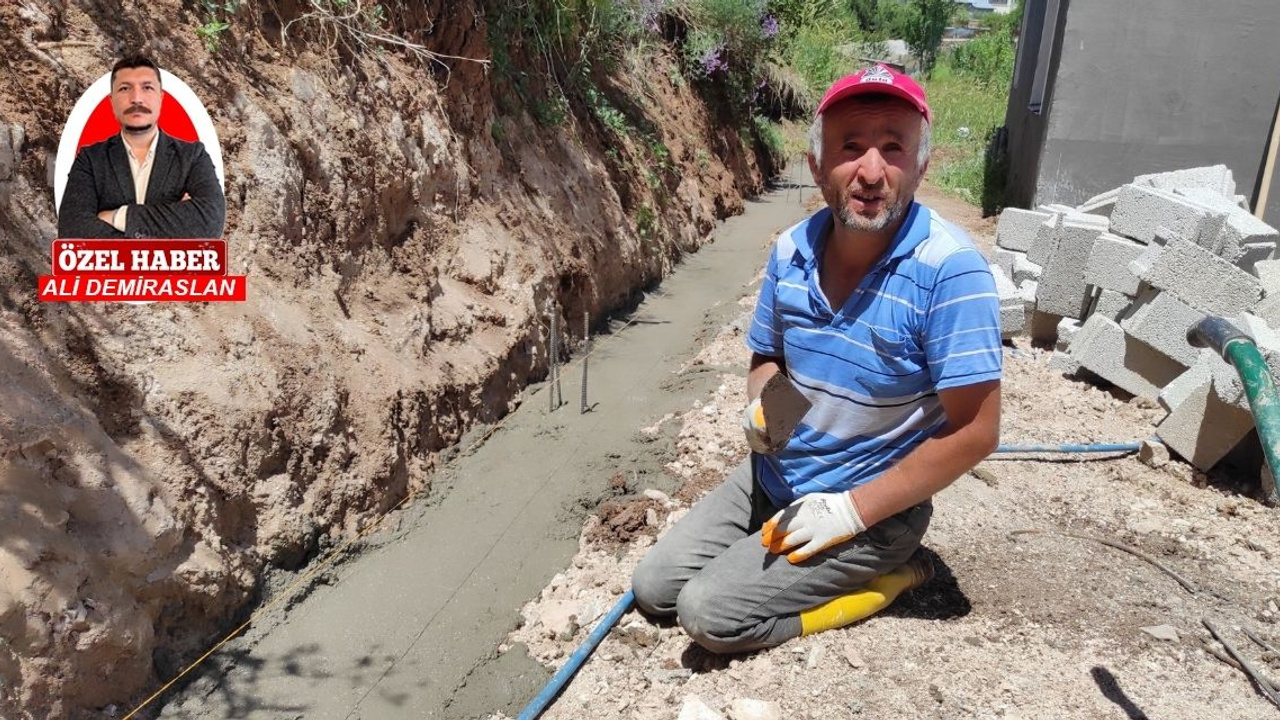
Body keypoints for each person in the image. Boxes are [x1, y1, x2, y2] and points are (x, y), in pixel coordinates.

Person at [631, 65, 1002, 654]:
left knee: (708, 616)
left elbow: (976, 432)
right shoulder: (791, 250)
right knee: (653, 590)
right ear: (815, 163)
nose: (872, 171)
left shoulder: (950, 271)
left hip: (870, 506)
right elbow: (767, 355)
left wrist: (852, 513)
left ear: (921, 165)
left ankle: (891, 579)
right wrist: (765, 414)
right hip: (777, 476)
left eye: (894, 147)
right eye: (850, 147)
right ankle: (777, 545)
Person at [57, 55, 225, 239]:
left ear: (161, 98)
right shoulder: (90, 159)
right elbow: (73, 228)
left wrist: (120, 217)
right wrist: (173, 224)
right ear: (112, 102)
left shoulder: (192, 156)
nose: (136, 99)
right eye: (125, 88)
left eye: (147, 88)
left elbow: (211, 219)